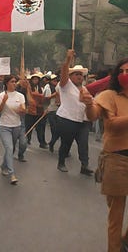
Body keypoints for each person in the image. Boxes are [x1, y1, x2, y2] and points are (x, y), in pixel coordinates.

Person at [80, 58, 128, 252]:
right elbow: (96, 116)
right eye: (122, 71)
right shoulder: (109, 95)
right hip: (117, 160)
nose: (126, 74)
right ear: (117, 75)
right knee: (116, 216)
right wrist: (87, 104)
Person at [56, 49, 93, 175]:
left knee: (83, 144)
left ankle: (84, 165)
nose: (79, 77)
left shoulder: (85, 89)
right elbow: (64, 72)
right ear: (70, 76)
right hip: (67, 119)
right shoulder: (65, 85)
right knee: (66, 143)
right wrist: (68, 59)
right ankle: (61, 162)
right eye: (76, 74)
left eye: (81, 75)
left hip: (83, 121)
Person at [0, 75, 25, 185]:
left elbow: (23, 110)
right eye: (12, 81)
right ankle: (12, 173)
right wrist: (3, 102)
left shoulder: (20, 96)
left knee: (10, 150)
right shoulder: (1, 96)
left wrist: (22, 110)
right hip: (5, 126)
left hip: (16, 126)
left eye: (15, 82)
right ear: (7, 83)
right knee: (9, 147)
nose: (14, 83)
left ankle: (4, 165)